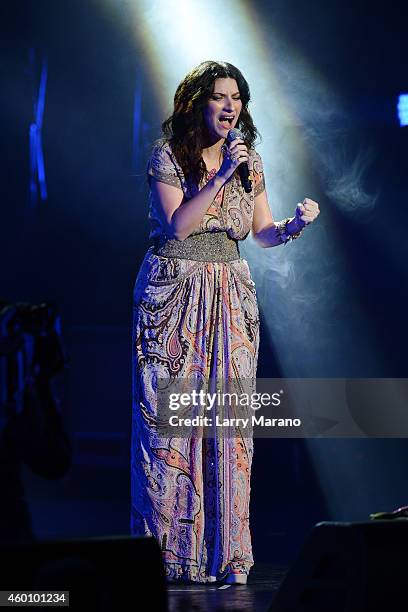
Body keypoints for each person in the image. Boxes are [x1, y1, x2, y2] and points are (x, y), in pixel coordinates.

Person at [131, 60, 320, 584]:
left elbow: (258, 232)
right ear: (198, 103)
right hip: (176, 292)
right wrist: (218, 177)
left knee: (229, 427)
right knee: (171, 427)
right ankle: (166, 556)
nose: (230, 106)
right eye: (219, 96)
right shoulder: (169, 156)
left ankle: (226, 555)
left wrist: (292, 227)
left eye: (237, 97)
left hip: (230, 292)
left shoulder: (250, 163)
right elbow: (179, 226)